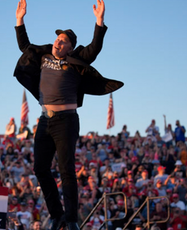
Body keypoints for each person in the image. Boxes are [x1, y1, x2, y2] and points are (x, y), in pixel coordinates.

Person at [14, 1, 123, 230]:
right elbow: (25, 46)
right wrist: (20, 20)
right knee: (40, 169)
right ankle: (57, 215)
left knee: (66, 169)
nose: (58, 41)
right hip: (44, 121)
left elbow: (94, 48)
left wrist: (99, 22)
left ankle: (72, 220)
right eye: (57, 38)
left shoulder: (75, 61)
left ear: (70, 48)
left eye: (63, 40)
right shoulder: (43, 56)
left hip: (66, 121)